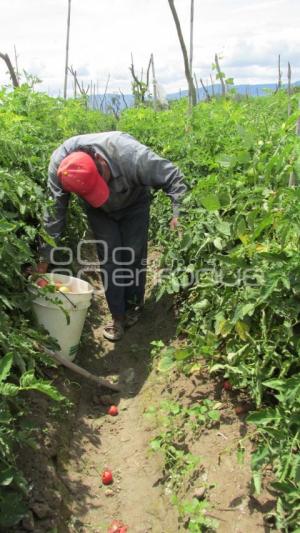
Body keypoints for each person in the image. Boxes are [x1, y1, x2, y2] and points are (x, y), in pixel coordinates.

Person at [37, 131, 187, 341]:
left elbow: (174, 177)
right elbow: (54, 214)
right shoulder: (61, 168)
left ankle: (134, 306)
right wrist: (44, 259)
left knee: (133, 255)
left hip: (134, 203)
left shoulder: (130, 155)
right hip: (98, 212)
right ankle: (118, 316)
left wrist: (178, 213)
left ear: (101, 161)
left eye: (101, 184)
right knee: (110, 260)